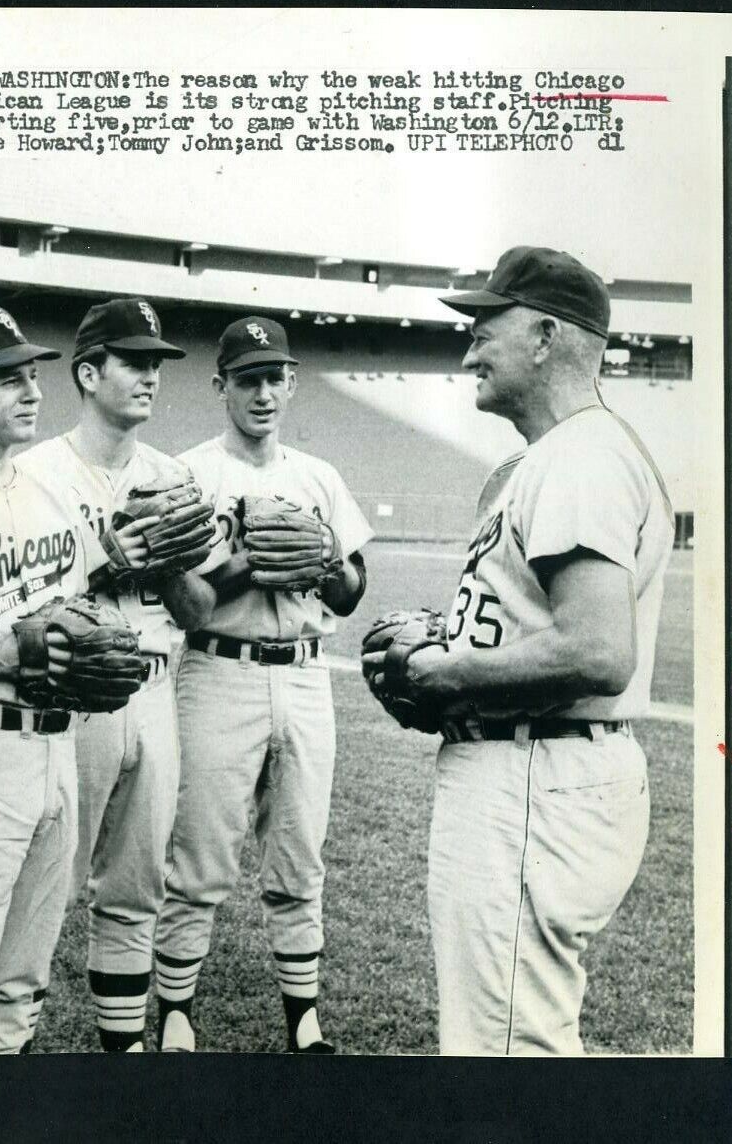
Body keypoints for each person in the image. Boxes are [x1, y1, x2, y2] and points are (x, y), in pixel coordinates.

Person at [363, 246, 674, 1055]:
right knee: (518, 1033)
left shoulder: (579, 455)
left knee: (504, 1051)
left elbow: (599, 651)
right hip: (541, 766)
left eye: (483, 327)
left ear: (542, 336)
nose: (468, 349)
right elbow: (546, 623)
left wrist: (443, 670)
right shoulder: (560, 456)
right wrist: (455, 637)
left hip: (535, 770)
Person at [0, 304, 146, 1054]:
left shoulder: (46, 494)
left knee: (20, 979)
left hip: (56, 746)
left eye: (33, 375)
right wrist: (8, 649)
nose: (31, 390)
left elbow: (73, 613)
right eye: (7, 378)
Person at [154, 316, 372, 1054]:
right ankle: (177, 1010)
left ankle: (302, 1016)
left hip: (305, 673)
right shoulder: (188, 473)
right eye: (246, 378)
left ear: (291, 383)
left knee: (300, 848)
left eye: (273, 377)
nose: (262, 392)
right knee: (200, 849)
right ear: (220, 386)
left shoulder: (318, 476)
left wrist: (321, 563)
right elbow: (185, 601)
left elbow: (348, 591)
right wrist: (247, 558)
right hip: (218, 668)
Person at [19, 298, 218, 1052]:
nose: (149, 377)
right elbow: (25, 607)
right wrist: (108, 563)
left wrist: (166, 566)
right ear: (88, 371)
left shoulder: (172, 474)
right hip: (73, 696)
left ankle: (123, 1046)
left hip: (156, 685)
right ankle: (11, 1041)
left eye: (156, 364)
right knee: (47, 882)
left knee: (138, 883)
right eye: (133, 362)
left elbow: (198, 608)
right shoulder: (35, 473)